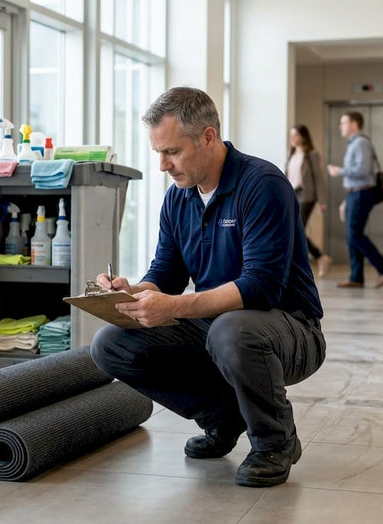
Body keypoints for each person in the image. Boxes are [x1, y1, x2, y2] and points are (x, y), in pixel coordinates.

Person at [89, 87, 326, 488]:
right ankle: (223, 417)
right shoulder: (178, 199)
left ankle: (275, 441)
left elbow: (261, 288)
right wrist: (131, 292)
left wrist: (174, 307)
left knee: (231, 329)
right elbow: (165, 274)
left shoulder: (262, 185)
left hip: (289, 329)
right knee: (110, 343)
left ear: (208, 137)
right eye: (158, 153)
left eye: (172, 152)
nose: (163, 165)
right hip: (219, 329)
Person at [326, 111, 383, 288]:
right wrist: (345, 200)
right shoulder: (353, 144)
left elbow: (363, 171)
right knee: (351, 236)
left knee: (355, 235)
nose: (340, 126)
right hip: (353, 193)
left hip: (361, 193)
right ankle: (356, 277)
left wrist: (339, 171)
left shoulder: (361, 143)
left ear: (354, 124)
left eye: (343, 122)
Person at [287, 125, 332, 277]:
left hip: (306, 196)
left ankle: (315, 258)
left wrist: (322, 200)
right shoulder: (292, 154)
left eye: (295, 135)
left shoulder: (311, 154)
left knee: (295, 229)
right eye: (291, 135)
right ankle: (320, 257)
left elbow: (318, 178)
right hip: (292, 194)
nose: (292, 138)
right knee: (294, 229)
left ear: (303, 137)